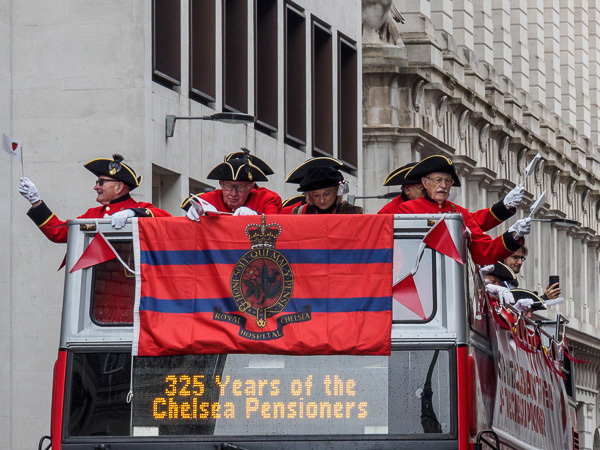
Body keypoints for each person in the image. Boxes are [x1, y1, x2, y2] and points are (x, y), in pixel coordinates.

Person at [396, 155, 531, 265]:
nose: (443, 186)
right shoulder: (408, 209)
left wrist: (513, 235)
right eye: (438, 180)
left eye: (448, 181)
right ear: (425, 183)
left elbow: (484, 250)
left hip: (453, 276)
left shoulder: (460, 213)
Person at [18, 154, 171, 244]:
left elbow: (166, 220)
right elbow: (58, 233)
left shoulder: (140, 208)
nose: (96, 187)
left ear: (118, 188)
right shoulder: (93, 213)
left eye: (101, 183)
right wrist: (35, 201)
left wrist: (132, 213)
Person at [378, 161, 525, 232]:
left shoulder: (443, 207)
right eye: (423, 189)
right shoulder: (390, 212)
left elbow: (473, 222)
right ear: (407, 189)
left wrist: (504, 207)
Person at [183, 149, 281, 220]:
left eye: (240, 187)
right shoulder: (207, 200)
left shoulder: (265, 199)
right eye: (228, 186)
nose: (233, 193)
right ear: (221, 184)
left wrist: (257, 216)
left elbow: (276, 225)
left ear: (250, 187)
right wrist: (190, 219)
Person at [292, 166, 362, 214]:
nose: (322, 200)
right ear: (309, 195)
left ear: (336, 192)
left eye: (326, 194)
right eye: (316, 195)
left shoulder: (352, 213)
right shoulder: (301, 213)